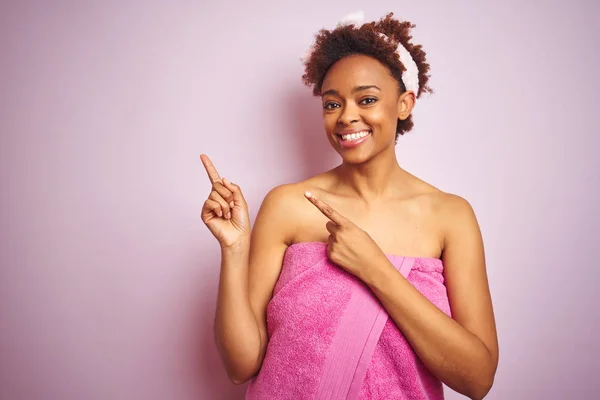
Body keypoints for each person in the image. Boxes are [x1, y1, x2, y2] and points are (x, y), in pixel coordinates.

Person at [201, 11, 498, 400]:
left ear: (404, 104)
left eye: (367, 99)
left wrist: (375, 268)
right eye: (331, 104)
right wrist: (235, 248)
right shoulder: (288, 204)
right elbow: (241, 367)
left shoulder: (450, 216)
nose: (346, 117)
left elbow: (478, 379)